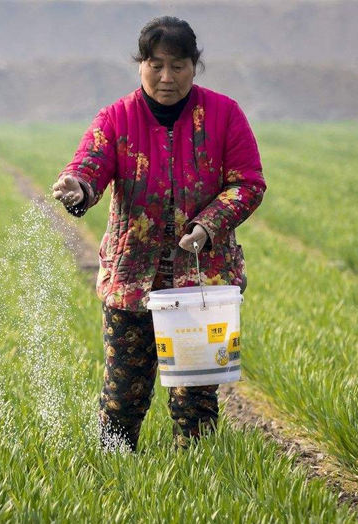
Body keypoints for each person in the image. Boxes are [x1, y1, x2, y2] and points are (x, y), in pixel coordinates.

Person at [51, 16, 266, 451]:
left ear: (194, 66)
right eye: (155, 65)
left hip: (201, 282)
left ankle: (197, 484)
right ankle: (113, 479)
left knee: (196, 402)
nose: (166, 77)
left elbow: (248, 183)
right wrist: (78, 187)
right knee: (122, 397)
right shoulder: (117, 118)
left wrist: (207, 225)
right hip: (132, 279)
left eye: (178, 66)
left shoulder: (223, 115)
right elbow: (89, 165)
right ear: (140, 65)